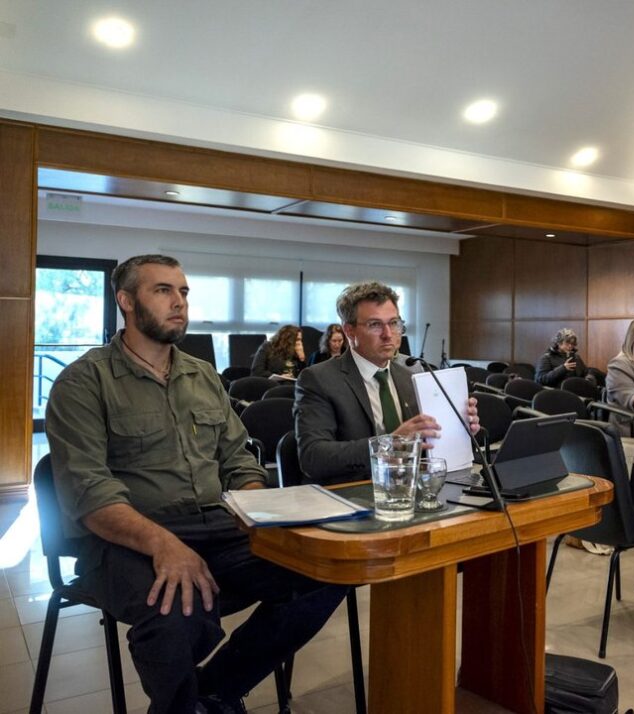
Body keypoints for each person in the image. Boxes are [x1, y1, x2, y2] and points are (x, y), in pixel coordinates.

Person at [44, 255, 347, 714]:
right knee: (179, 609)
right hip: (125, 538)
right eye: (162, 290)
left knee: (323, 570)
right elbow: (89, 492)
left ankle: (216, 692)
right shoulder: (83, 382)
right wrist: (164, 545)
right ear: (126, 301)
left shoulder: (201, 375)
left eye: (183, 291)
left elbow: (238, 459)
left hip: (216, 525)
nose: (179, 302)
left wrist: (256, 511)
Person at [294, 281, 479, 484]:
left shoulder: (411, 374)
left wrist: (457, 430)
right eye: (375, 325)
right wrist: (389, 444)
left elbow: (425, 445)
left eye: (394, 323)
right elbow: (313, 457)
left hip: (410, 487)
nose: (388, 334)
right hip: (352, 492)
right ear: (349, 331)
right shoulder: (318, 379)